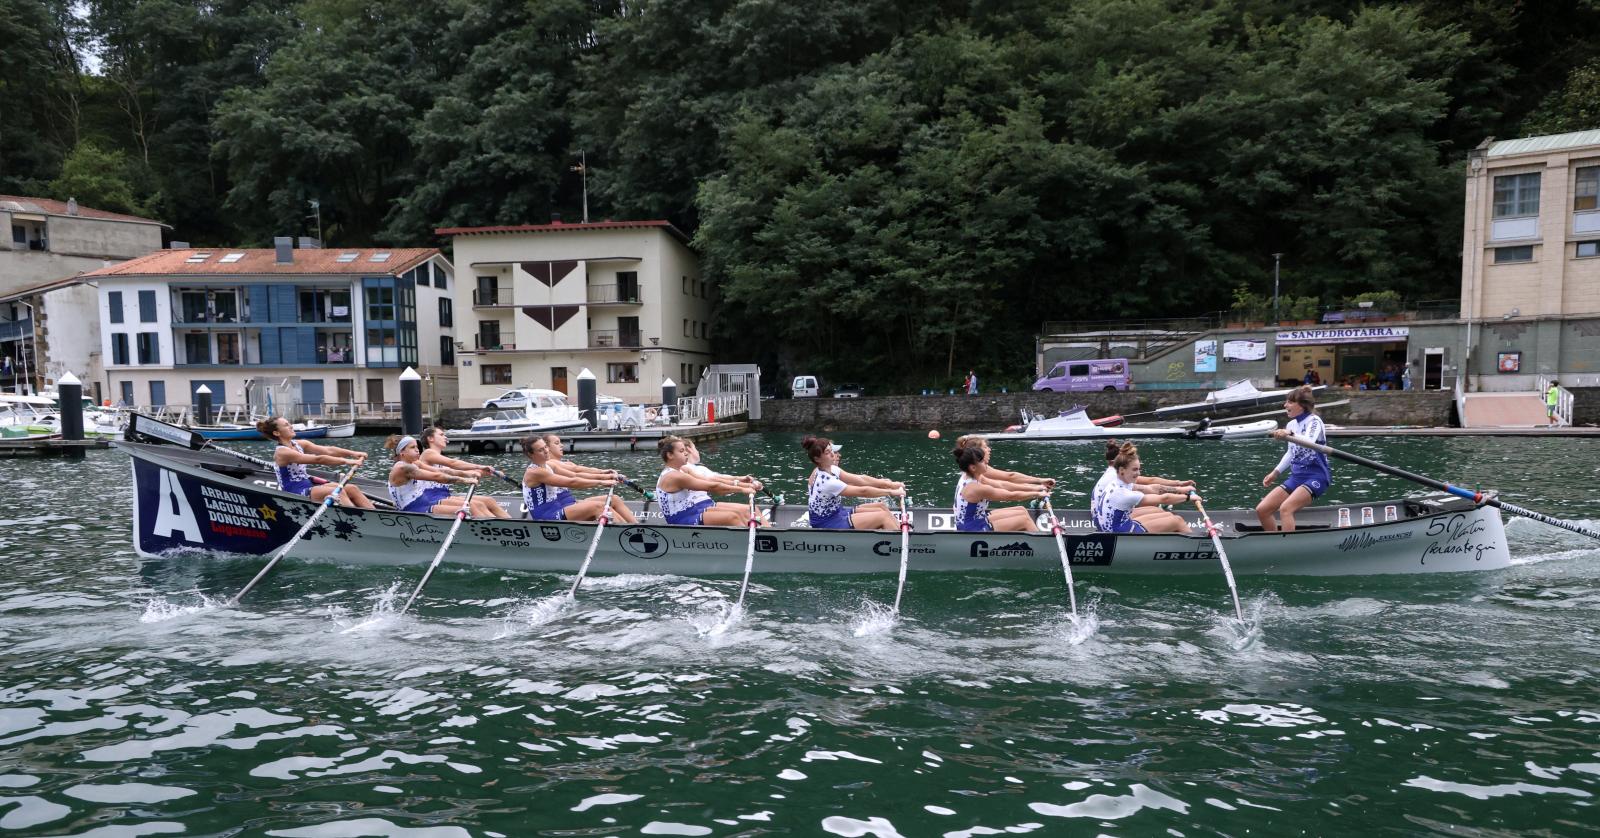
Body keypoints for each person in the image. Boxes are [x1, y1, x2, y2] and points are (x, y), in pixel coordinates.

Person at [256, 416, 375, 508]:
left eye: (289, 424)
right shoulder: (282, 453)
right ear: (277, 433)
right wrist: (348, 461)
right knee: (337, 491)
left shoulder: (300, 444)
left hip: (308, 485)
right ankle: (358, 519)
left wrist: (353, 453)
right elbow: (318, 459)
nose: (291, 426)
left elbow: (328, 450)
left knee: (352, 488)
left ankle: (374, 516)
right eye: (286, 425)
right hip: (294, 491)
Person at [1257, 385, 1330, 532]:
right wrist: (1275, 473)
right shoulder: (1291, 424)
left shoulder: (1314, 421)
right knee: (1262, 509)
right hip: (1297, 477)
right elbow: (1291, 453)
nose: (1285, 405)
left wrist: (1290, 433)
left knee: (1286, 508)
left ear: (1302, 405)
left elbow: (1309, 441)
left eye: (1290, 402)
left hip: (1317, 476)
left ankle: (1285, 548)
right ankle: (1275, 544)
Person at [521, 434, 637, 523]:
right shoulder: (535, 472)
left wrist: (605, 475)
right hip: (547, 516)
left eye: (545, 447)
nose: (546, 451)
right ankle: (628, 535)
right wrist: (602, 481)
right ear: (531, 454)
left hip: (560, 507)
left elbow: (575, 473)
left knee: (613, 499)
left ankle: (635, 528)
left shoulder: (546, 466)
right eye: (540, 450)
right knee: (599, 507)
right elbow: (572, 481)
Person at [1092, 442, 1200, 534]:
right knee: (1178, 521)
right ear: (1121, 470)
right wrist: (1188, 498)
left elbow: (1152, 489)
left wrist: (1180, 489)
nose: (1138, 473)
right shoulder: (1124, 493)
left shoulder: (1117, 482)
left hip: (1112, 526)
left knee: (1160, 511)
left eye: (1139, 469)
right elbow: (1164, 499)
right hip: (1121, 534)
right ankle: (1196, 547)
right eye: (1134, 470)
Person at [801, 436, 903, 530]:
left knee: (881, 506)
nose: (833, 454)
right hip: (827, 522)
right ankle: (898, 545)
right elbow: (863, 491)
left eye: (831, 450)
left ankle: (901, 532)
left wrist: (890, 484)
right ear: (817, 459)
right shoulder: (827, 482)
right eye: (827, 452)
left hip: (837, 513)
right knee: (883, 517)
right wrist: (891, 492)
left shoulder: (831, 469)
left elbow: (860, 479)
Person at [655, 436, 761, 526]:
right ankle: (752, 543)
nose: (686, 453)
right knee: (732, 516)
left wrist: (740, 482)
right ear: (670, 455)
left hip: (693, 509)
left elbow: (709, 480)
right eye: (681, 451)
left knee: (741, 512)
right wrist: (742, 489)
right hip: (680, 518)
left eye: (685, 450)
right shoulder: (673, 476)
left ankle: (763, 534)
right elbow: (713, 487)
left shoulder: (683, 469)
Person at [416, 426, 511, 518]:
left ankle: (511, 526)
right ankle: (496, 530)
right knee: (474, 505)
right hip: (431, 497)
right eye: (441, 435)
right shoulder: (428, 453)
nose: (445, 437)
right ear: (430, 438)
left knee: (489, 501)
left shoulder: (439, 457)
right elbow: (453, 463)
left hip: (444, 495)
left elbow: (460, 471)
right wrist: (480, 466)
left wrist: (493, 472)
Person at [953, 445, 1048, 532]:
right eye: (982, 461)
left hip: (977, 519)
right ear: (973, 468)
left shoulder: (971, 476)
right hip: (972, 529)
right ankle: (1044, 546)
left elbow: (1002, 485)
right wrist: (1037, 494)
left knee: (1021, 509)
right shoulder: (976, 488)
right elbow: (1011, 496)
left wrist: (1036, 488)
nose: (986, 462)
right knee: (1025, 520)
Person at [383, 434, 479, 515]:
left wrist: (467, 474)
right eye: (412, 447)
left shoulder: (415, 463)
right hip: (414, 510)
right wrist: (465, 480)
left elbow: (440, 471)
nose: (417, 450)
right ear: (402, 452)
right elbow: (436, 477)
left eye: (417, 447)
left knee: (470, 507)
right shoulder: (403, 468)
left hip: (425, 503)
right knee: (467, 510)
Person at [954, 435, 1055, 494]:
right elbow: (1009, 478)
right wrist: (1038, 485)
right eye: (985, 447)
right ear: (977, 451)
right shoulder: (980, 470)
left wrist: (1038, 485)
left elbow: (1005, 482)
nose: (989, 449)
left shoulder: (976, 468)